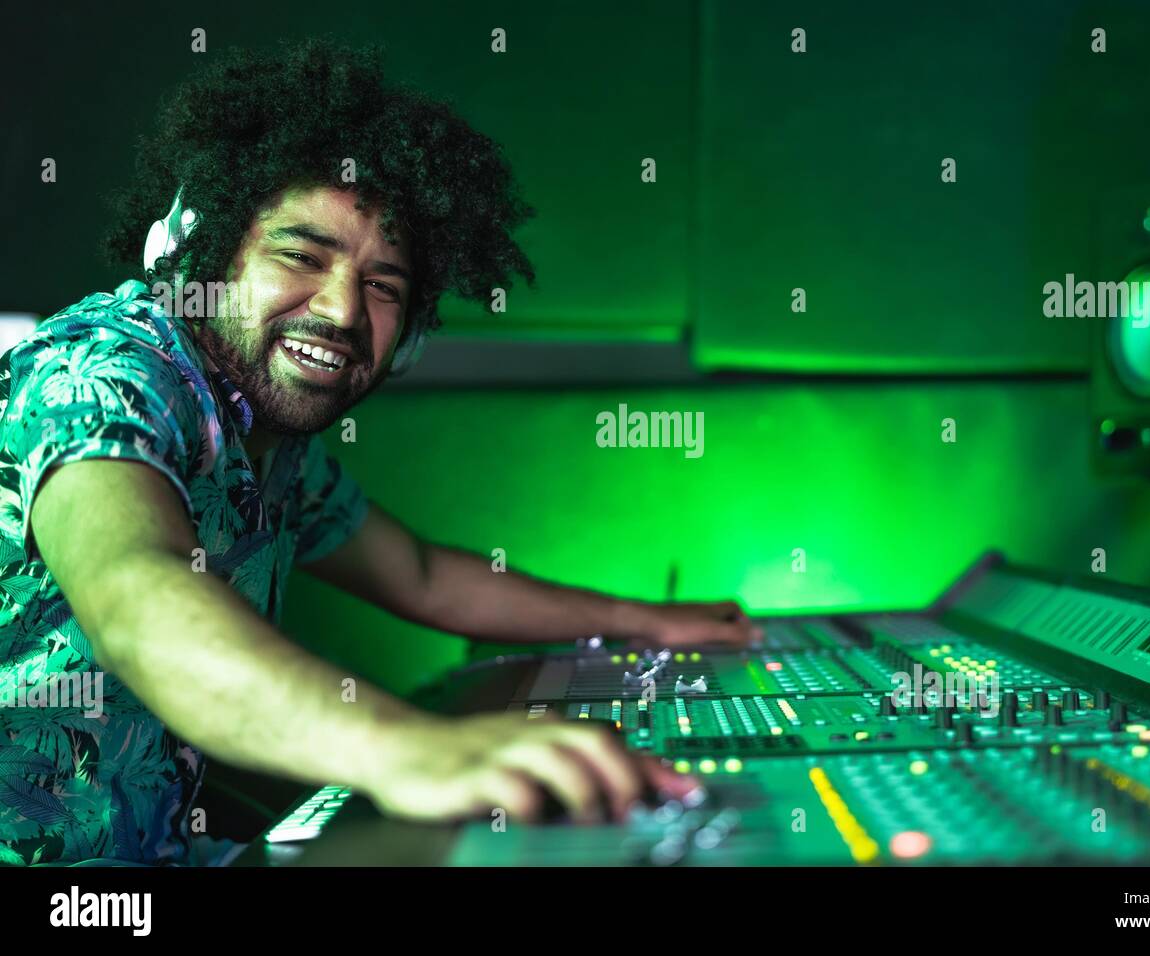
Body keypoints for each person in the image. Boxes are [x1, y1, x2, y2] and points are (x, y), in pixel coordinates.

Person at [0, 38, 757, 866]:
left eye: (383, 286)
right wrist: (407, 749)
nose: (341, 309)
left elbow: (424, 575)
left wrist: (643, 623)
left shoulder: (262, 432)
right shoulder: (101, 375)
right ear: (198, 253)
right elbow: (133, 598)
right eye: (300, 255)